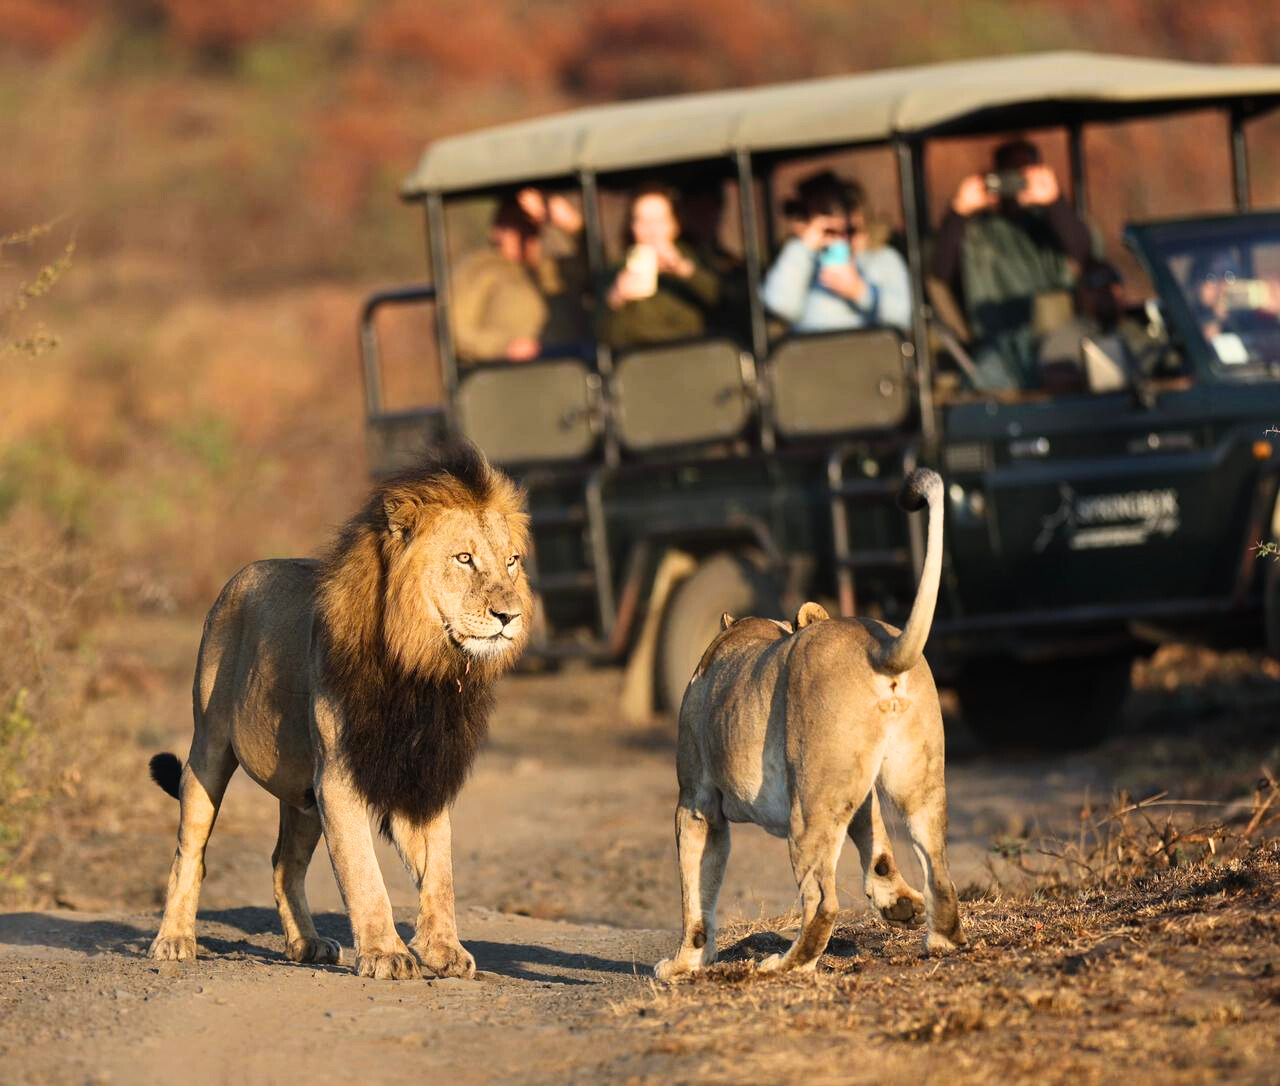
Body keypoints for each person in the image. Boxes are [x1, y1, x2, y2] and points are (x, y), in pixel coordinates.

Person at [931, 138, 1093, 390]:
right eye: (1008, 174)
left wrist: (1055, 202)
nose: (1014, 183)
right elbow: (939, 272)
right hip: (996, 347)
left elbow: (1086, 254)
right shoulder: (976, 232)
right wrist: (959, 211)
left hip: (1056, 342)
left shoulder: (1053, 225)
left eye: (1024, 173)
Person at [761, 170, 911, 334]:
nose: (842, 240)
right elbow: (779, 306)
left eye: (851, 231)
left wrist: (860, 292)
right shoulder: (803, 260)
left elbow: (903, 317)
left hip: (871, 353)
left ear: (865, 225)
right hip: (811, 355)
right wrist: (804, 247)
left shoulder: (884, 259)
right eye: (831, 232)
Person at [450, 189, 586, 363]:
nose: (525, 233)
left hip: (572, 368)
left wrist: (572, 226)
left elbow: (599, 273)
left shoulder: (555, 269)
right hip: (508, 374)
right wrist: (504, 347)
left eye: (531, 225)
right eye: (516, 223)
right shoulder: (480, 269)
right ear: (496, 230)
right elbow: (454, 330)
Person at [603, 183, 721, 350]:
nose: (651, 230)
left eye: (658, 221)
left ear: (675, 224)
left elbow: (723, 300)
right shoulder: (618, 270)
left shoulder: (697, 259)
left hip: (690, 354)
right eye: (641, 221)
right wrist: (616, 299)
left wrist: (684, 271)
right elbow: (607, 336)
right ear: (632, 226)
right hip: (638, 361)